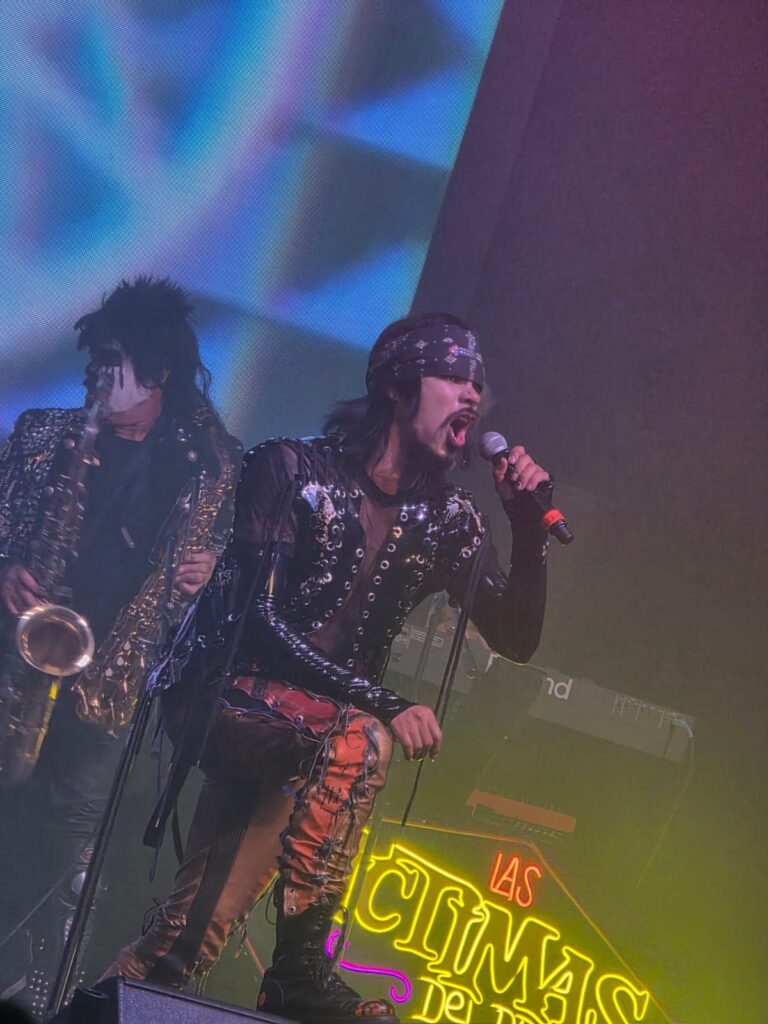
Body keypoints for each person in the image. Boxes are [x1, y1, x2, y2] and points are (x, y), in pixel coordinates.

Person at [102, 312, 552, 1024]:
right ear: (398, 388)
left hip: (317, 737)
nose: (472, 394)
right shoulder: (288, 468)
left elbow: (517, 637)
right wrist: (385, 703)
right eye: (453, 376)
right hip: (225, 695)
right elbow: (256, 619)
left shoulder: (449, 517)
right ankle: (297, 973)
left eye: (478, 383)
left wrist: (528, 530)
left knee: (183, 942)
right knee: (362, 738)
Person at [0, 278, 241, 1013]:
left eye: (114, 363)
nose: (96, 377)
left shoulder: (206, 468)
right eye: (94, 361)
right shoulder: (43, 435)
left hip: (109, 687)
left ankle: (38, 991)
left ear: (160, 371)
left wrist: (214, 571)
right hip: (15, 663)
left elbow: (235, 582)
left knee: (64, 848)